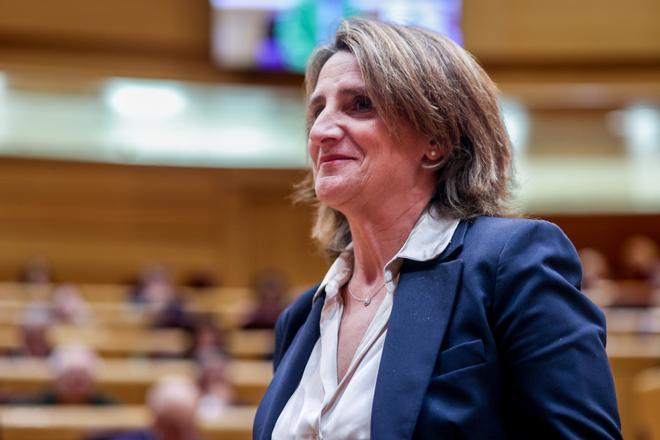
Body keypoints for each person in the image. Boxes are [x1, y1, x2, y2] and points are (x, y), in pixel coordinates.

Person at [253, 18, 621, 439]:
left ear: (436, 139)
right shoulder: (300, 319)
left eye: (359, 105)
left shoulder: (510, 265)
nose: (320, 131)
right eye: (319, 109)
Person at [16, 344, 115, 405]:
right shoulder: (36, 405)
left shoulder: (108, 407)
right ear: (57, 382)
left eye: (80, 382)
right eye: (70, 381)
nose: (75, 389)